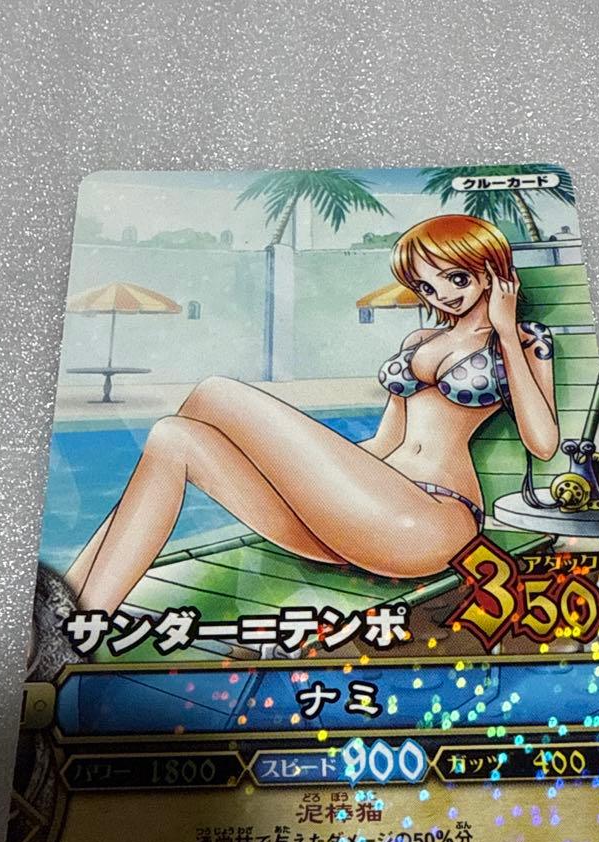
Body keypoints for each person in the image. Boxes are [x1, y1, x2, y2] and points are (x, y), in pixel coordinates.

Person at [30, 214, 559, 675]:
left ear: (492, 270)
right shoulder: (419, 341)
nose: (441, 294)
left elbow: (542, 442)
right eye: (426, 285)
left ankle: (71, 626)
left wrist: (505, 331)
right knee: (174, 437)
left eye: (455, 278)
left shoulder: (523, 342)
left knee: (213, 393)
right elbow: (386, 441)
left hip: (431, 521)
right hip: (362, 516)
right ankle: (72, 622)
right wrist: (306, 471)